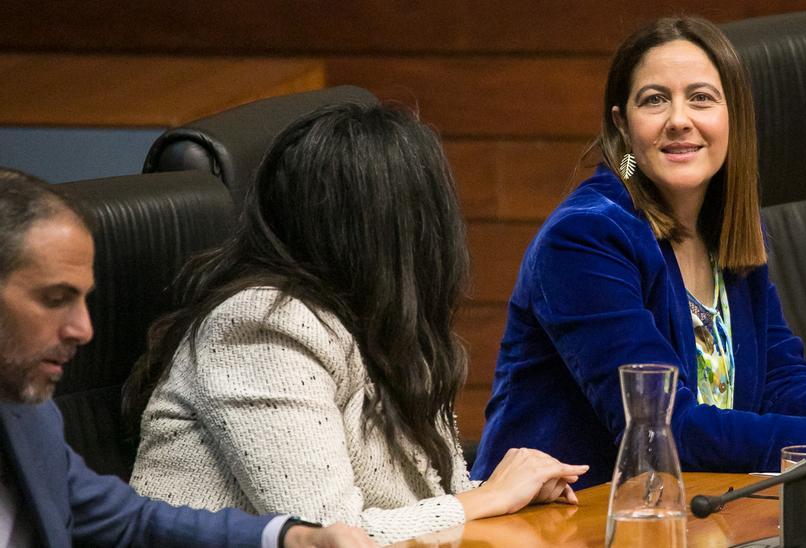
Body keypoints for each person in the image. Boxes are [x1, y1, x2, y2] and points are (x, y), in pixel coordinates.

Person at [472, 16, 806, 489]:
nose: (678, 120)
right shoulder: (586, 239)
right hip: (565, 521)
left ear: (733, 115)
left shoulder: (725, 226)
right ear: (622, 126)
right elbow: (663, 426)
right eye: (653, 100)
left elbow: (778, 378)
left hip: (693, 508)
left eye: (701, 98)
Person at [125, 103, 588, 545]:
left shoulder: (386, 322)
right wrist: (487, 499)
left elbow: (421, 498)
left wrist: (507, 490)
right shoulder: (260, 327)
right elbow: (331, 533)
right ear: (399, 229)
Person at [0, 169, 373, 548]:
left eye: (84, 299)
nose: (84, 329)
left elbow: (130, 522)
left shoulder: (26, 413)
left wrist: (290, 537)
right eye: (55, 299)